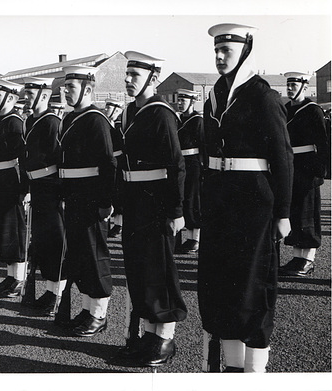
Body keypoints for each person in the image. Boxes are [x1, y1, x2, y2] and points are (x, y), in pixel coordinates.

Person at [198, 23, 293, 373]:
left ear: (245, 51)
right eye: (217, 51)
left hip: (254, 203)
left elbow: (283, 157)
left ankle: (255, 370)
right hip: (220, 200)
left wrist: (282, 212)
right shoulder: (215, 95)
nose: (220, 57)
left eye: (228, 51)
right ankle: (233, 366)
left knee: (252, 285)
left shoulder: (262, 96)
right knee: (221, 283)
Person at [112, 52, 187, 367]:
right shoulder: (129, 113)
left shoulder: (161, 114)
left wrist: (176, 209)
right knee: (139, 271)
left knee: (159, 272)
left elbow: (176, 164)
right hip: (134, 203)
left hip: (157, 203)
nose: (128, 80)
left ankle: (164, 338)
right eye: (127, 75)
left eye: (135, 76)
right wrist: (119, 207)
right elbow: (121, 167)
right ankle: (148, 335)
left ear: (153, 80)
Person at [55, 65, 116, 337]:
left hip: (91, 198)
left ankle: (99, 313)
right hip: (74, 197)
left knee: (95, 256)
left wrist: (105, 202)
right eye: (66, 87)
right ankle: (88, 309)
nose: (66, 92)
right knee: (80, 255)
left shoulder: (96, 120)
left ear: (88, 89)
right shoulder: (71, 119)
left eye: (72, 87)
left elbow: (108, 164)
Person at [20, 77, 65, 314]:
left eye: (31, 94)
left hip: (51, 188)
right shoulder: (30, 120)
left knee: (54, 243)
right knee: (41, 243)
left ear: (44, 97)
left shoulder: (52, 122)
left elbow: (59, 160)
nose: (26, 98)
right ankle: (49, 290)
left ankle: (57, 293)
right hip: (36, 187)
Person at [279, 72, 329, 277]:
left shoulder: (313, 110)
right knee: (295, 212)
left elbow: (323, 143)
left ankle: (308, 259)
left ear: (305, 88)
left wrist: (320, 171)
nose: (290, 88)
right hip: (291, 165)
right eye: (288, 84)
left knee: (308, 213)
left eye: (295, 85)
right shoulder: (286, 109)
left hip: (307, 167)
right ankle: (297, 257)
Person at [0, 79, 28, 298]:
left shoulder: (14, 122)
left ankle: (18, 278)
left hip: (10, 180)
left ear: (10, 98)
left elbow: (22, 157)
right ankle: (10, 277)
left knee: (13, 230)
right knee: (2, 230)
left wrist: (24, 188)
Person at [176, 88, 204, 253]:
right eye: (179, 100)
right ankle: (187, 237)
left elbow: (203, 145)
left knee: (193, 200)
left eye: (183, 101)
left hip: (193, 164)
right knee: (183, 199)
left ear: (192, 102)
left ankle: (195, 239)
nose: (180, 103)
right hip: (181, 163)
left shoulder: (197, 121)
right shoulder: (178, 119)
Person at [103, 98, 125, 239]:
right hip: (109, 161)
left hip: (119, 161)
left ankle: (119, 224)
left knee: (119, 194)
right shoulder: (107, 123)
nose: (106, 110)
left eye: (109, 108)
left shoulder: (119, 125)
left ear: (117, 110)